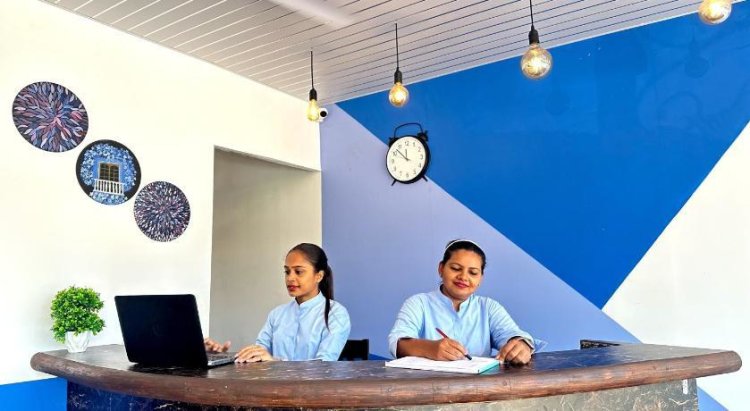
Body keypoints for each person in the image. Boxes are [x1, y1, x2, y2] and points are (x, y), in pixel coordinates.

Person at [388, 239, 538, 365]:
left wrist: (520, 345)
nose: (464, 277)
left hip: (480, 387)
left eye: (473, 272)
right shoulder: (419, 303)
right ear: (441, 268)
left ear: (480, 278)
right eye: (455, 268)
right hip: (428, 386)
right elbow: (398, 343)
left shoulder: (488, 307)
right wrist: (431, 348)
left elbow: (512, 334)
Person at [205, 243, 351, 362]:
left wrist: (275, 362)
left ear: (319, 276)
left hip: (313, 390)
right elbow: (259, 354)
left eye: (298, 272)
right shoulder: (277, 314)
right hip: (273, 388)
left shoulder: (336, 314)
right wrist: (220, 357)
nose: (290, 278)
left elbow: (323, 365)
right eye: (287, 272)